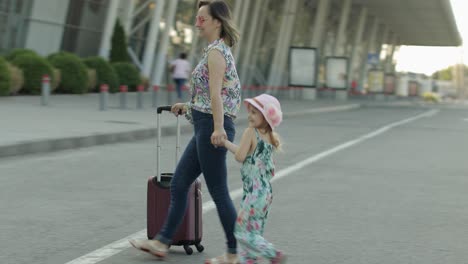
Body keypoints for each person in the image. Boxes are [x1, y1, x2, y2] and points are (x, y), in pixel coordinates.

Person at [130, 1, 241, 263]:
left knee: (219, 191)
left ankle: (235, 252)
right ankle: (162, 241)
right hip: (206, 123)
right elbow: (208, 97)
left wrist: (217, 128)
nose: (197, 23)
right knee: (179, 183)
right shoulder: (214, 51)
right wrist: (188, 107)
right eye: (197, 18)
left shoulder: (216, 53)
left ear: (217, 22)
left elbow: (216, 95)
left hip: (212, 127)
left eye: (202, 19)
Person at [220, 94, 287, 264]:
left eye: (255, 113)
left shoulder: (251, 132)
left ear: (265, 116)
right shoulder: (270, 137)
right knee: (254, 234)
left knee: (242, 232)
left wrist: (225, 143)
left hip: (253, 194)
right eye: (249, 111)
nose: (249, 116)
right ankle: (249, 261)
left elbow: (240, 156)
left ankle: (273, 253)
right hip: (265, 194)